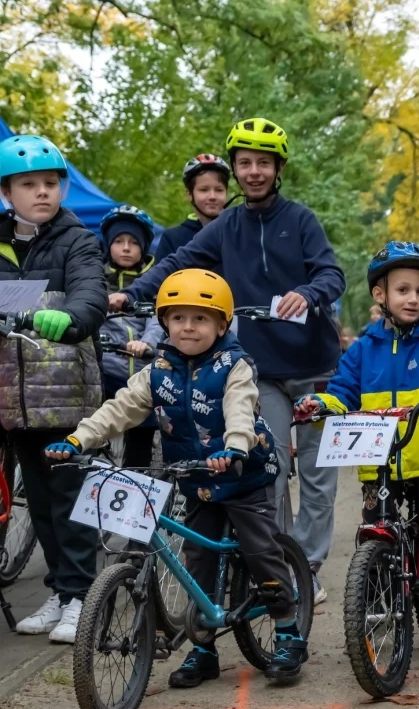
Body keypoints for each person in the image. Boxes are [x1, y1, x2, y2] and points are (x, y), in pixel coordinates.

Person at [110, 118, 346, 604]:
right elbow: (179, 264)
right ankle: (281, 567)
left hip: (315, 369)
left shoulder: (300, 220)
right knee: (271, 471)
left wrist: (307, 292)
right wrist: (131, 292)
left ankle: (312, 565)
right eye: (245, 163)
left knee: (319, 480)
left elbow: (332, 272)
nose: (254, 171)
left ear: (278, 168)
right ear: (236, 170)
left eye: (263, 162)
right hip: (263, 371)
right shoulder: (227, 226)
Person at [46, 269, 306, 684]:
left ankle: (289, 630)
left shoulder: (234, 365)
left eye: (201, 319)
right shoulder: (158, 370)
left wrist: (236, 447)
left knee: (260, 550)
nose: (189, 327)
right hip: (196, 478)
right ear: (165, 322)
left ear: (222, 324)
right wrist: (78, 440)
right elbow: (122, 408)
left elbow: (240, 407)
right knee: (197, 561)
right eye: (179, 318)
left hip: (241, 475)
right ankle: (202, 649)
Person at [296, 243, 419, 664]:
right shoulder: (362, 349)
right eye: (402, 290)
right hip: (379, 462)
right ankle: (377, 603)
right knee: (375, 530)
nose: (413, 298)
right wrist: (322, 404)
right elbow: (343, 392)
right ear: (381, 295)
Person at [0, 135, 107, 644]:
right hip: (13, 399)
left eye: (51, 182)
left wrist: (66, 317)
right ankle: (62, 592)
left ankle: (83, 595)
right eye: (29, 184)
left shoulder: (78, 240)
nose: (43, 192)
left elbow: (91, 299)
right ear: (7, 192)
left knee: (70, 498)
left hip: (65, 394)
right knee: (38, 503)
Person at [98, 205, 164, 468]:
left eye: (133, 242)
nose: (126, 248)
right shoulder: (95, 277)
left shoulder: (154, 280)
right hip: (105, 371)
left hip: (142, 373)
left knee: (141, 441)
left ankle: (138, 487)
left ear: (144, 247)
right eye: (118, 241)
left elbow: (159, 318)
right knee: (93, 431)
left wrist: (147, 343)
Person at [155, 154, 230, 261]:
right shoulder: (172, 238)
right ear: (189, 194)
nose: (212, 196)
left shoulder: (238, 231)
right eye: (204, 190)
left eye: (219, 190)